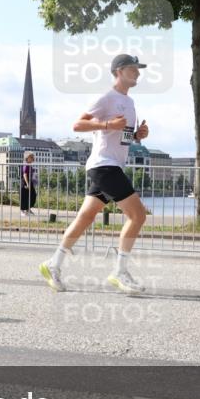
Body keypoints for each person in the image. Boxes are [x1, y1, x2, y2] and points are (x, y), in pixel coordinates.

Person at [39, 54, 151, 294]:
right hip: (104, 165)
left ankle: (53, 264)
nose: (138, 73)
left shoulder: (129, 102)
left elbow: (122, 136)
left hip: (111, 165)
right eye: (134, 69)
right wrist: (108, 125)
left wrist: (137, 135)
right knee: (138, 216)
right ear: (119, 71)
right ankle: (120, 272)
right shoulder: (106, 97)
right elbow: (77, 125)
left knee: (86, 217)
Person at [20, 151, 38, 215]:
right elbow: (24, 174)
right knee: (24, 196)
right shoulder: (26, 164)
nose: (33, 158)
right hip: (25, 182)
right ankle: (22, 210)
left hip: (29, 181)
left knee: (32, 195)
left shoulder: (29, 165)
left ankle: (28, 209)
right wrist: (27, 183)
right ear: (27, 158)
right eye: (31, 157)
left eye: (33, 157)